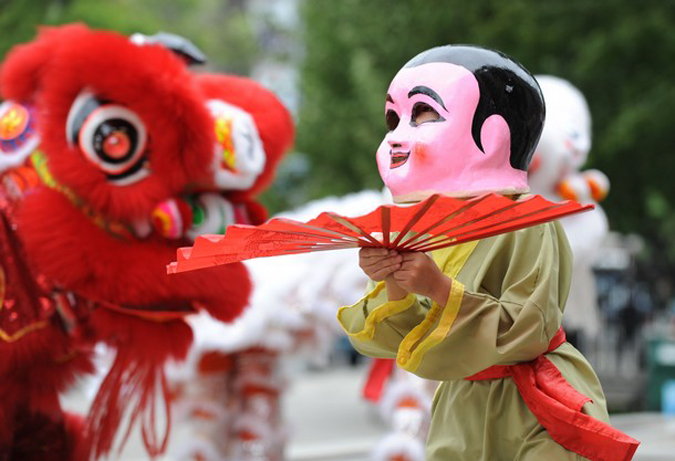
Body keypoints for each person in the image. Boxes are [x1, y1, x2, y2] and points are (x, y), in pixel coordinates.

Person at [337, 45, 639, 461]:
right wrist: (392, 277)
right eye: (393, 119)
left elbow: (528, 330)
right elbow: (406, 341)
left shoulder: (528, 220)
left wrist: (438, 286)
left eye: (423, 114)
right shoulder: (425, 225)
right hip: (459, 403)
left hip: (533, 405)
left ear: (494, 136)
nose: (396, 137)